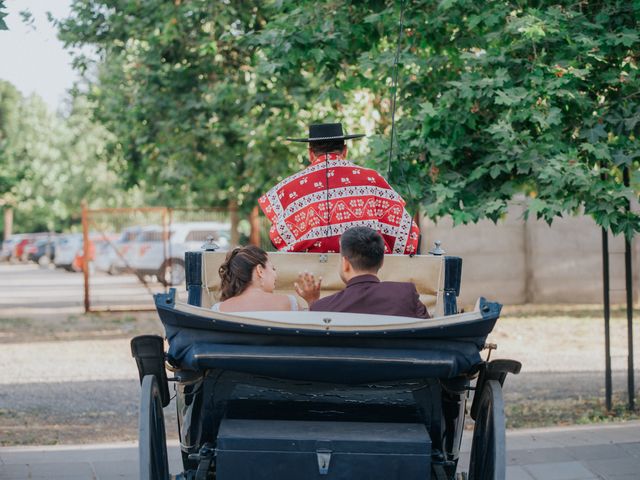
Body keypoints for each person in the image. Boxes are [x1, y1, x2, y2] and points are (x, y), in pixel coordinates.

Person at [258, 122, 420, 254]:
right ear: (345, 150)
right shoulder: (371, 179)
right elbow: (407, 236)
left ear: (310, 153)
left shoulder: (290, 188)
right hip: (367, 278)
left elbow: (278, 239)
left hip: (315, 282)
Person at [295, 227, 430, 318]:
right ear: (382, 261)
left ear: (345, 264)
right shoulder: (406, 295)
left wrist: (313, 303)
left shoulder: (323, 307)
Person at [212, 245, 306, 312]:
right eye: (273, 268)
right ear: (260, 271)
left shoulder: (218, 309)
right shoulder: (289, 304)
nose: (275, 275)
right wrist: (311, 301)